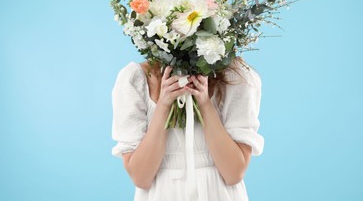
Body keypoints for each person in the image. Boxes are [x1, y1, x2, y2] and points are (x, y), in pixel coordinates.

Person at [111, 56, 264, 200]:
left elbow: (233, 173)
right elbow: (140, 177)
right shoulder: (135, 78)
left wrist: (204, 102)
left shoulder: (237, 77)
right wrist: (164, 104)